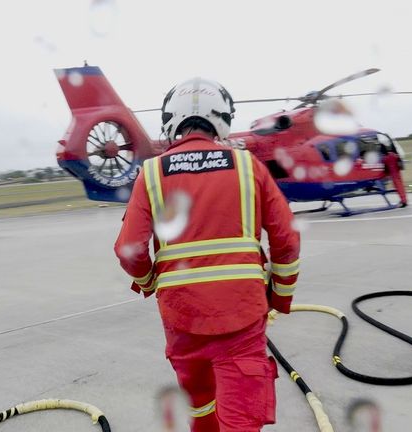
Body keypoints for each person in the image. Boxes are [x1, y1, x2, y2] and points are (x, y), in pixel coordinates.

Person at [114, 78, 300, 431]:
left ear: (171, 120)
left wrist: (150, 283)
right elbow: (287, 241)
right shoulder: (248, 166)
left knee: (200, 406)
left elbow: (130, 250)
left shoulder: (151, 173)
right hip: (242, 313)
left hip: (182, 315)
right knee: (241, 417)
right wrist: (279, 296)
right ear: (223, 119)